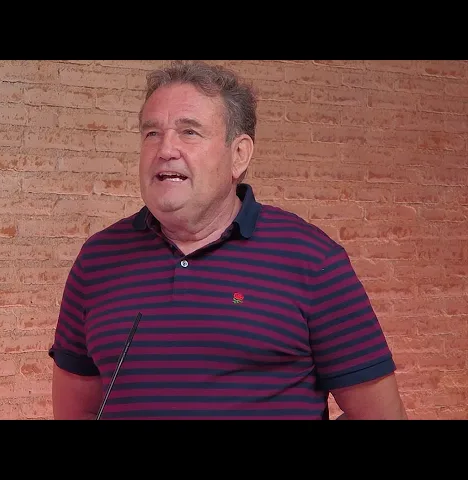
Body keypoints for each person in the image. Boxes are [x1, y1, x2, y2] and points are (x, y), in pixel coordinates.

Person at [48, 60, 408, 420]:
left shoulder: (311, 259)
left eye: (189, 132)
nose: (165, 149)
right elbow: (75, 412)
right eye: (152, 133)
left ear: (239, 155)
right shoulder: (97, 260)